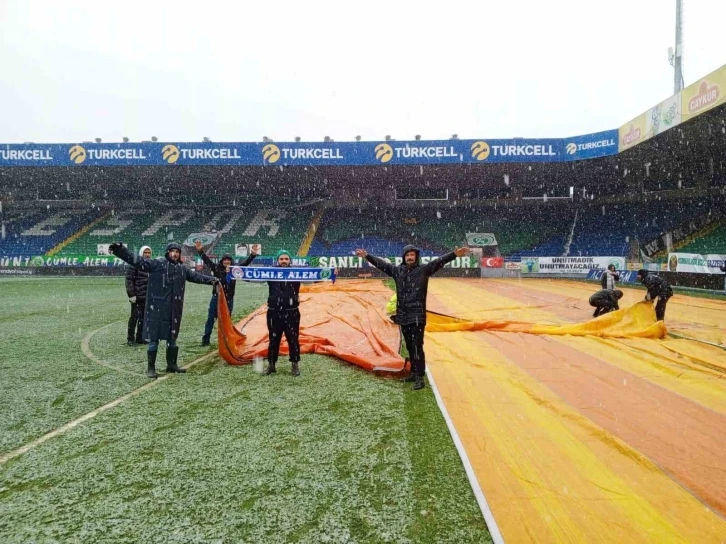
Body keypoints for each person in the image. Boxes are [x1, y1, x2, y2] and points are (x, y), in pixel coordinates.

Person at [355, 244, 470, 390]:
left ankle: (420, 377)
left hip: (417, 315)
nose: (410, 257)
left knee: (417, 347)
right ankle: (414, 372)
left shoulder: (423, 270)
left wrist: (454, 254)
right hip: (403, 316)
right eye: (407, 255)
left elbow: (439, 261)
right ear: (404, 257)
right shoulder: (397, 271)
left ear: (416, 257)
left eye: (412, 255)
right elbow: (382, 265)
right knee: (410, 346)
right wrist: (367, 256)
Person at [110, 241, 218, 379]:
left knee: (172, 339)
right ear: (168, 252)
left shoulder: (182, 269)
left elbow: (196, 277)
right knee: (154, 340)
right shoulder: (157, 264)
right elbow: (137, 261)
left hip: (174, 310)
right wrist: (121, 251)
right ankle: (151, 368)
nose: (175, 254)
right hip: (157, 310)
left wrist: (212, 280)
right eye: (172, 251)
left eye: (177, 252)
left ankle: (171, 365)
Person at [195, 241, 257, 346]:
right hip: (217, 298)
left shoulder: (235, 270)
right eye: (225, 260)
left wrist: (252, 255)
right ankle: (205, 340)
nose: (227, 262)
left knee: (226, 321)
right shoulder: (216, 268)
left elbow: (245, 264)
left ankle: (226, 340)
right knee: (211, 319)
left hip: (229, 299)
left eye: (229, 260)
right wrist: (200, 251)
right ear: (222, 261)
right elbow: (207, 261)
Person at [264, 249, 302, 377]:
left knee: (293, 339)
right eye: (281, 259)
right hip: (274, 312)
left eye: (286, 259)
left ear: (290, 260)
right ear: (277, 260)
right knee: (273, 339)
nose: (284, 261)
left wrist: (331, 273)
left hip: (292, 312)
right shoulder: (270, 273)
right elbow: (251, 277)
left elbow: (315, 278)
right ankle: (271, 364)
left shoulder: (297, 273)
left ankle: (295, 364)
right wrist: (235, 272)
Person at [125, 245, 151, 346]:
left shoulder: (150, 265)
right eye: (146, 252)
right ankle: (130, 339)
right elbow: (129, 280)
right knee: (134, 317)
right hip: (136, 297)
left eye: (149, 253)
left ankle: (140, 337)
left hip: (147, 297)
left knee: (143, 318)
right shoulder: (134, 264)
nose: (147, 255)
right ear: (141, 253)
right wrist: (131, 295)